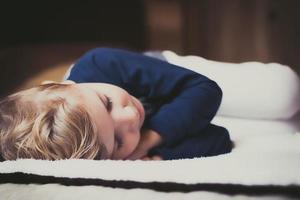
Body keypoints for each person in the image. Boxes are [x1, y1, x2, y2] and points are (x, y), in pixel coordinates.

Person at [0, 47, 232, 161]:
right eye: (119, 141)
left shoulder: (100, 64)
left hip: (168, 69)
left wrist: (148, 138)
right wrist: (157, 155)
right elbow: (219, 138)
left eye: (107, 102)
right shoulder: (111, 153)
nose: (130, 117)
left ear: (65, 85)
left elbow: (205, 90)